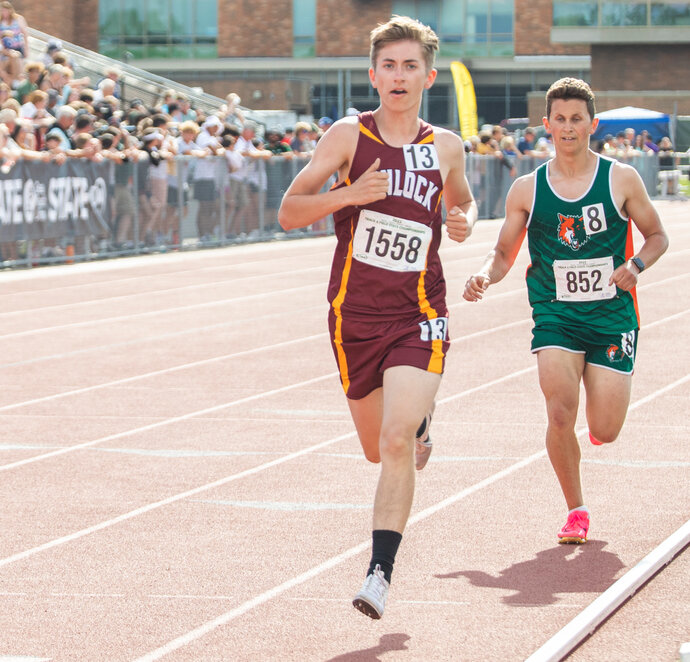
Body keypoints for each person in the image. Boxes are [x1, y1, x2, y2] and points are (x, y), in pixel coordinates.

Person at [278, 15, 476, 620]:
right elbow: (289, 211)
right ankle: (417, 425)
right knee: (378, 446)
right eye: (388, 65)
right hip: (354, 317)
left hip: (419, 314)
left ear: (428, 77)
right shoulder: (347, 137)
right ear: (373, 74)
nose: (398, 75)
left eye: (409, 66)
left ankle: (379, 575)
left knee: (393, 442)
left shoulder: (445, 146)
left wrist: (464, 217)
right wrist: (346, 195)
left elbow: (462, 199)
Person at [463, 77, 669, 546]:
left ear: (592, 124)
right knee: (559, 412)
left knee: (605, 429)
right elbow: (502, 254)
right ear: (547, 124)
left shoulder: (620, 178)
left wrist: (635, 265)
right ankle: (576, 510)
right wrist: (483, 275)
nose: (569, 127)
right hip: (555, 314)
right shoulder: (526, 189)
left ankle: (598, 428)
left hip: (612, 316)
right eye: (560, 119)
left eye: (577, 119)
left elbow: (658, 235)